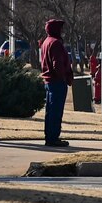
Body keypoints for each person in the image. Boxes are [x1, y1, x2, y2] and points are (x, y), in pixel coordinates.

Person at [38, 18, 74, 147]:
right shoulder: (56, 43)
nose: (62, 31)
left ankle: (50, 136)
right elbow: (57, 64)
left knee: (50, 111)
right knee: (56, 111)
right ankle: (53, 138)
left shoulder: (45, 42)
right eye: (60, 28)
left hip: (49, 82)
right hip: (57, 82)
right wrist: (64, 76)